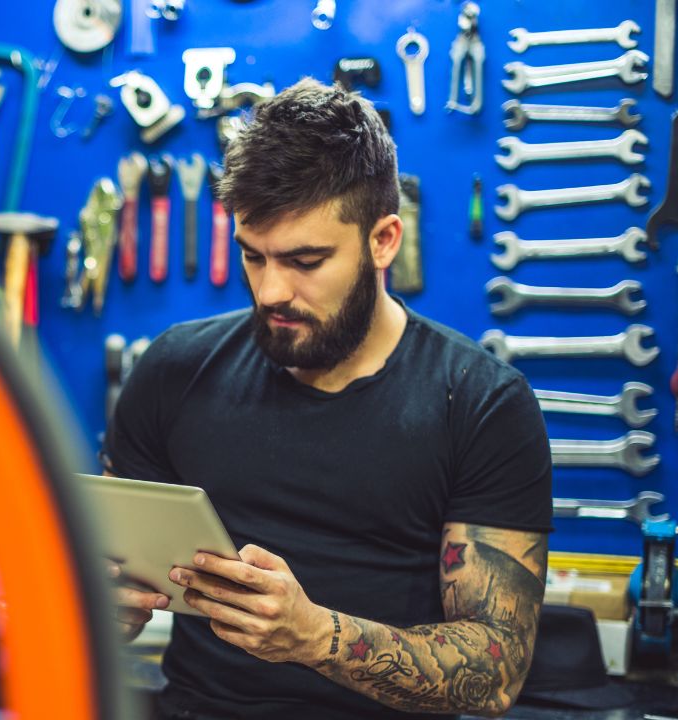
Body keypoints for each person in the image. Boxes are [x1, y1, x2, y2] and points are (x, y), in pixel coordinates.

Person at [105, 78, 552, 719]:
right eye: (253, 257)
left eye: (306, 261)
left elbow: (495, 671)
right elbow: (111, 573)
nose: (270, 292)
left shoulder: (480, 404)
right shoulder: (175, 369)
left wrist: (314, 637)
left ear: (384, 240)